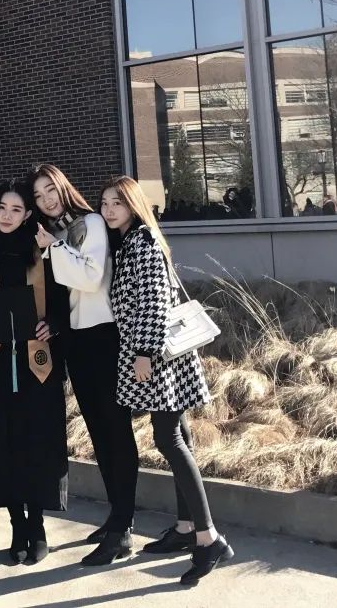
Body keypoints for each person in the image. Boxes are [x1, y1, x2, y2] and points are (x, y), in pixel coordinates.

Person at [99, 175, 234, 586]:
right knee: (180, 436)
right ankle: (186, 527)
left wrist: (143, 352)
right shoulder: (132, 241)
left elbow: (154, 302)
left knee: (168, 439)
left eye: (117, 203)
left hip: (157, 355)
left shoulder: (142, 243)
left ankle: (208, 538)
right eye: (104, 203)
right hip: (161, 353)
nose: (109, 210)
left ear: (133, 205)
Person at [28, 163, 139, 566]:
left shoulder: (89, 223)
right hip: (75, 341)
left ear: (62, 187)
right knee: (99, 432)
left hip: (103, 337)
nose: (46, 200)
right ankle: (117, 517)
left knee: (115, 431)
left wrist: (53, 249)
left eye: (50, 190)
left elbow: (91, 280)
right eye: (38, 196)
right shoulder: (53, 234)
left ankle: (123, 528)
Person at [0, 179, 70, 565]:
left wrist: (54, 324)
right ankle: (17, 525)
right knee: (3, 442)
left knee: (37, 441)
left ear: (28, 213)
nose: (8, 216)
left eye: (16, 209)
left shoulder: (41, 251)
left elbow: (64, 296)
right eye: (2, 208)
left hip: (38, 364)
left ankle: (38, 525)